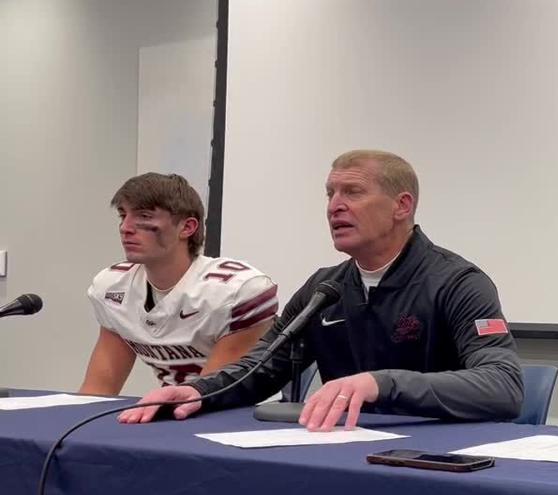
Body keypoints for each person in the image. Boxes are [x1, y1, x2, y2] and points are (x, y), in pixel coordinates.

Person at [120, 150, 523, 430]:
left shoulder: (457, 282)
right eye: (330, 194)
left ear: (402, 206)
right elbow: (262, 367)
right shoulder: (325, 287)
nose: (334, 206)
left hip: (434, 459)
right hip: (343, 452)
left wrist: (380, 383)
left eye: (353, 192)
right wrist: (196, 390)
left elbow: (502, 386)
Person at [79, 173, 276, 395]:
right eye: (122, 215)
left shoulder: (237, 290)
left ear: (187, 227)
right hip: (172, 410)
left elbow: (213, 395)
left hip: (236, 419)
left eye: (143, 216)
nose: (125, 227)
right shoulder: (113, 287)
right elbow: (98, 391)